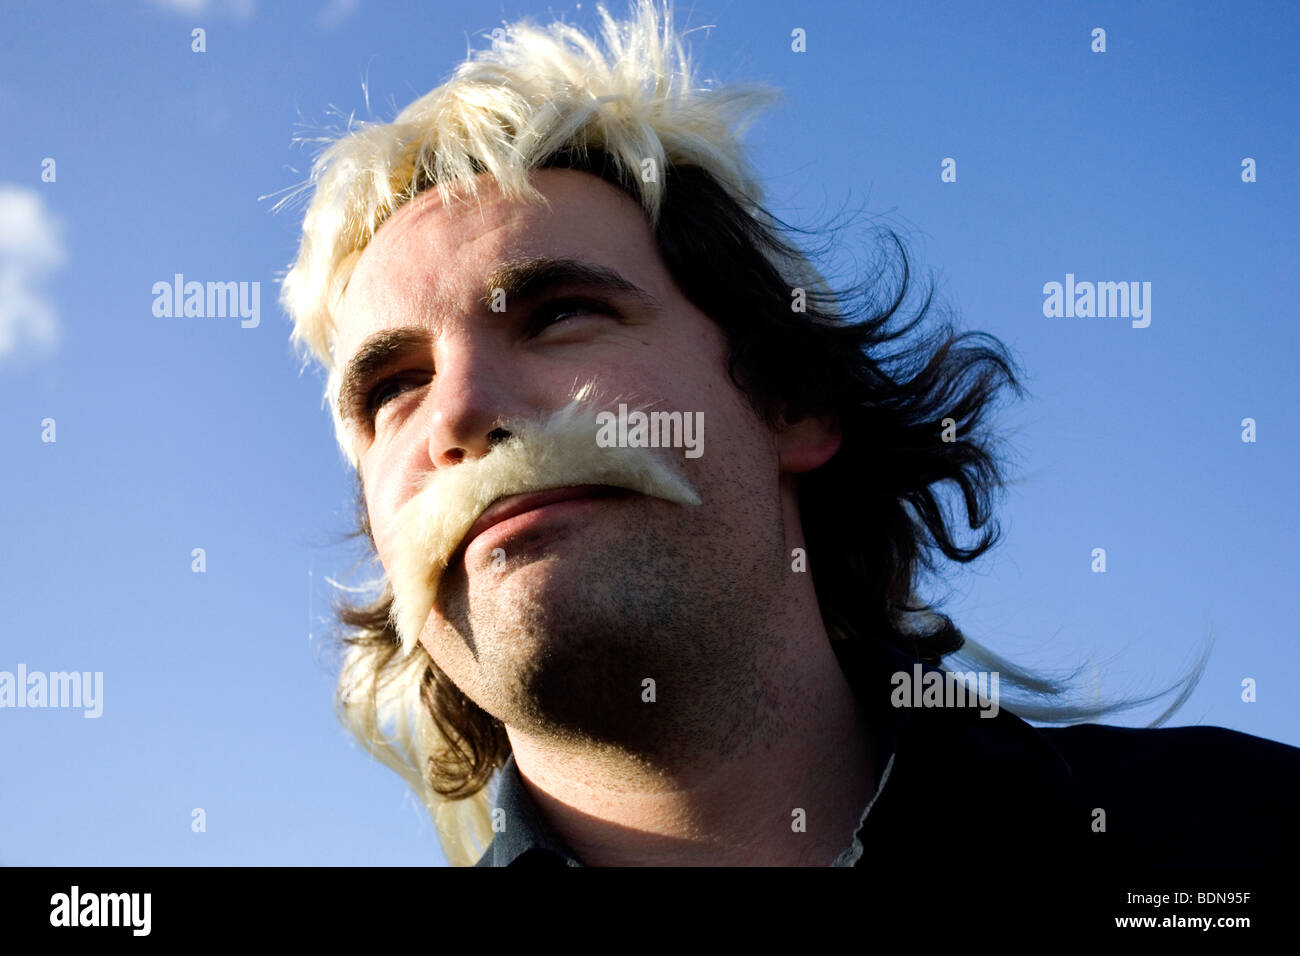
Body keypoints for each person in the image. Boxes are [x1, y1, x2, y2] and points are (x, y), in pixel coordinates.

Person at [277, 0, 1300, 869]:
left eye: (554, 313)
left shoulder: (1235, 837)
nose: (455, 412)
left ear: (791, 401)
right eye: (393, 388)